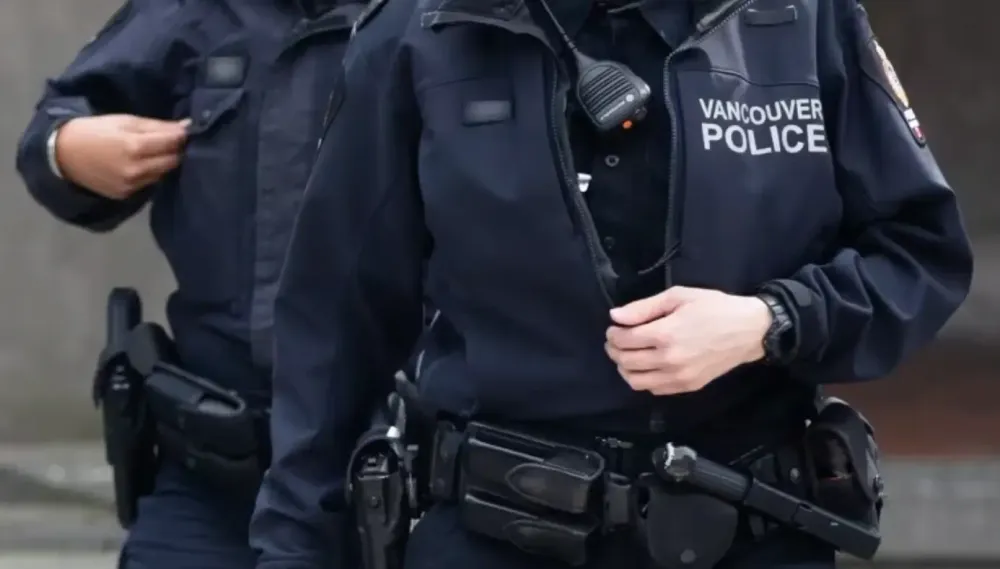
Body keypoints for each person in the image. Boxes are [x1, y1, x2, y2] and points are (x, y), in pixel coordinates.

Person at [250, 0, 974, 567]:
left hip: (748, 527)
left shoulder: (800, 18)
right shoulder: (420, 31)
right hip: (497, 529)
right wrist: (296, 550)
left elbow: (916, 251)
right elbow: (332, 323)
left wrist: (769, 320)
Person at [15, 1, 361, 568]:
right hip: (217, 467)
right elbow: (51, 133)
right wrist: (68, 151)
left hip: (390, 465)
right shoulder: (195, 12)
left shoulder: (439, 20)